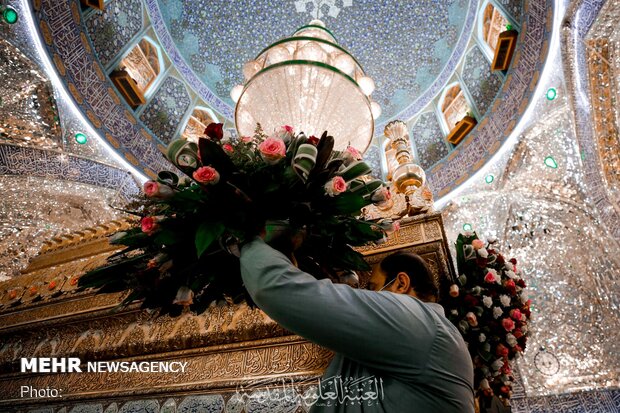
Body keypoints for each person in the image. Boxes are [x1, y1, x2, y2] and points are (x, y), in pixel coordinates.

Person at [240, 237, 474, 412]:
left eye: (372, 289)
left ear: (401, 283)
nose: (367, 295)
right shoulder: (435, 331)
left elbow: (275, 289)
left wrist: (249, 240)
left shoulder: (415, 320)